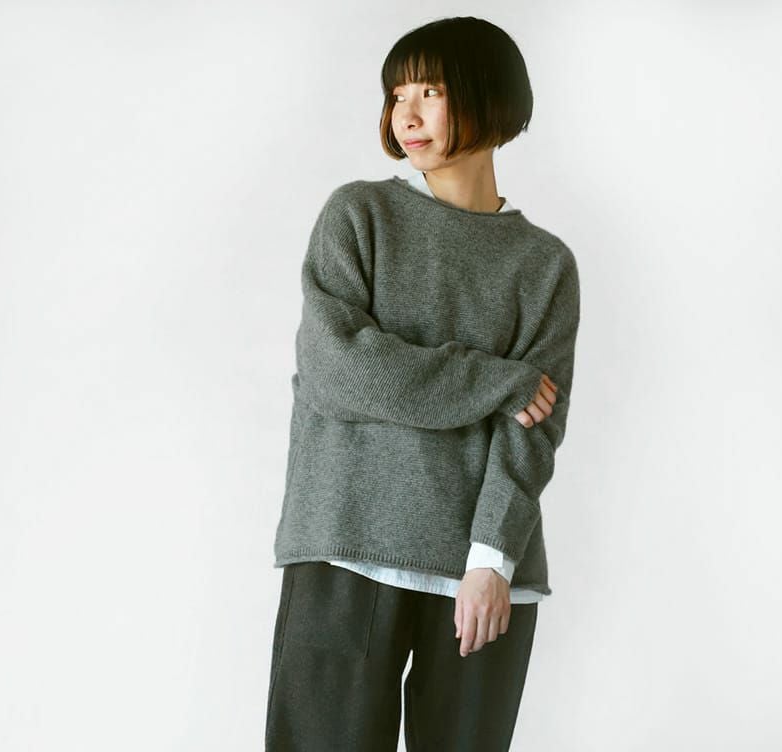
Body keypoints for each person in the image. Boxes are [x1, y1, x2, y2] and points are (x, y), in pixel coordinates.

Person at [264, 15, 581, 752]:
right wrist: (497, 381)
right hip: (345, 543)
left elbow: (534, 426)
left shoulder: (544, 265)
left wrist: (491, 559)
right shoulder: (360, 216)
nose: (406, 114)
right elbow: (341, 370)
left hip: (481, 573)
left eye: (430, 92)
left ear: (490, 98)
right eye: (396, 94)